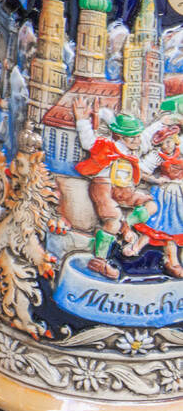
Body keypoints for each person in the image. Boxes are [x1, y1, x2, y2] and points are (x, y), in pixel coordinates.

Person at [72, 100, 154, 280]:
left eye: (137, 136)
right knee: (112, 221)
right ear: (119, 136)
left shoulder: (133, 151)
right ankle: (99, 260)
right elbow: (87, 142)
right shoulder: (106, 146)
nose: (137, 141)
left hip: (123, 188)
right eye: (132, 137)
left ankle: (127, 225)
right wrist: (82, 120)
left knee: (150, 205)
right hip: (103, 186)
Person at [140, 122, 183, 277]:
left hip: (181, 189)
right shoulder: (157, 156)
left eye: (169, 141)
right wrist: (156, 180)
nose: (166, 146)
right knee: (169, 225)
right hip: (167, 194)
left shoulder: (181, 149)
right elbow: (141, 172)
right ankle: (171, 260)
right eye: (163, 143)